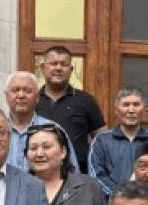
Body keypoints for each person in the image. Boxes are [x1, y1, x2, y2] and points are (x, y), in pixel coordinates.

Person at [35, 45, 105, 173]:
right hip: (38, 172)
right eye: (53, 64)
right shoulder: (33, 100)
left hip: (77, 174)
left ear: (71, 70)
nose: (58, 68)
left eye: (64, 64)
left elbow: (102, 139)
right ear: (43, 68)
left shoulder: (86, 100)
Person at [4, 70, 78, 173]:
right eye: (15, 90)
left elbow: (73, 172)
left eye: (27, 91)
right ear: (6, 96)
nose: (21, 95)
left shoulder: (53, 129)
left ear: (38, 97)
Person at [88, 87, 148, 195]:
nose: (131, 110)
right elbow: (96, 176)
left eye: (136, 105)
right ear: (116, 110)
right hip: (111, 202)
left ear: (144, 109)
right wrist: (119, 196)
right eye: (125, 105)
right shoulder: (102, 140)